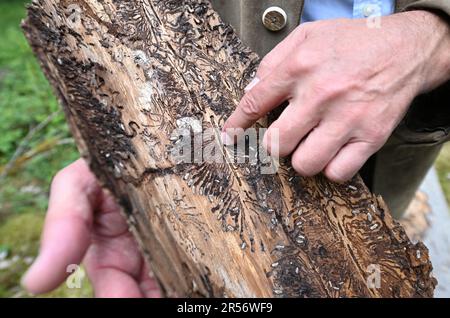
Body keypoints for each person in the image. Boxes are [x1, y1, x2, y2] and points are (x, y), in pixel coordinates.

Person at [22, 0, 450, 297]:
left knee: (380, 219)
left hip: (404, 125)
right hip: (230, 115)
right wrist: (129, 148)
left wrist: (431, 35)